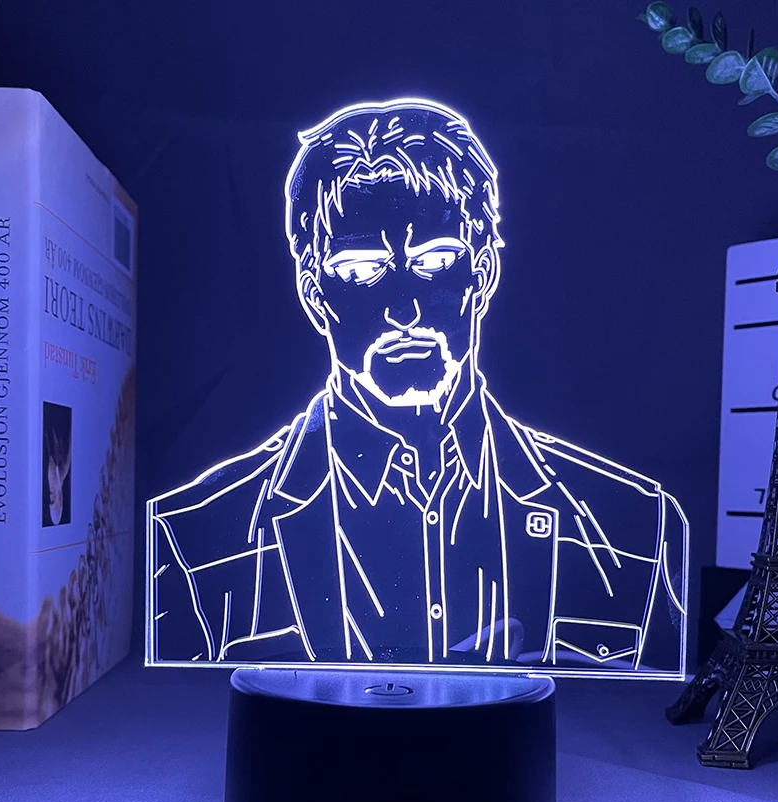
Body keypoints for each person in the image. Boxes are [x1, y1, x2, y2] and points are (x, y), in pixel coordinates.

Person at [146, 98, 687, 674]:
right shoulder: (194, 537)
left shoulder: (637, 524)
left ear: (483, 272)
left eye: (434, 260)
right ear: (314, 293)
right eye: (360, 270)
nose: (403, 309)